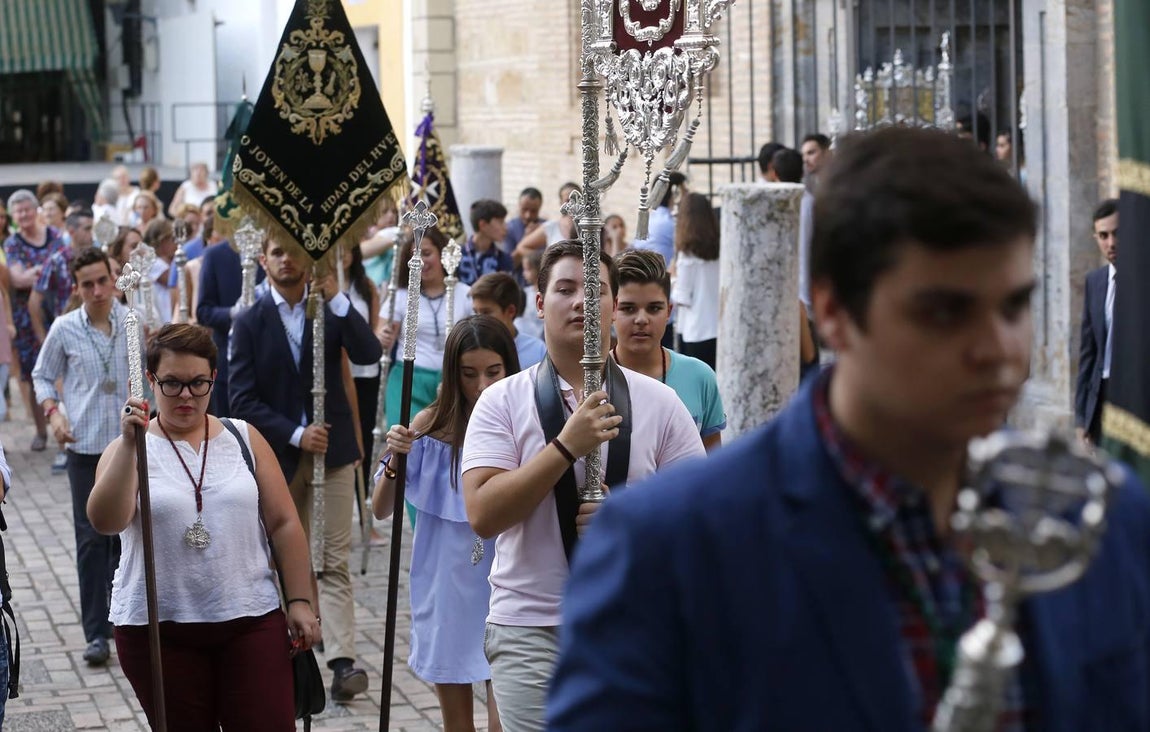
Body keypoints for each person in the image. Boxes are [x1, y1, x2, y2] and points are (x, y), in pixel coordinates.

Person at [547, 125, 1150, 730]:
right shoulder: (667, 552)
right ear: (833, 311)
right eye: (945, 311)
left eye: (1014, 305)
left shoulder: (1102, 520)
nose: (998, 349)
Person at [461, 240, 705, 732]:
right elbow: (483, 514)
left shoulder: (660, 403)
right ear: (538, 302)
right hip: (531, 625)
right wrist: (564, 447)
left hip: (633, 622)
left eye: (594, 291)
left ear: (613, 304)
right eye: (565, 289)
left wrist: (630, 518)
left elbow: (700, 523)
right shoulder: (501, 402)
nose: (580, 302)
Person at [88, 324, 320, 730]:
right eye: (172, 384)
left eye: (198, 383)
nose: (186, 396)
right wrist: (129, 444)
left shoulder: (243, 437)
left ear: (214, 378)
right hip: (158, 629)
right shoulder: (129, 448)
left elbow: (283, 522)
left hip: (250, 617)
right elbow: (106, 521)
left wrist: (300, 600)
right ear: (149, 381)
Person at [229, 237, 382, 701]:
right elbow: (241, 398)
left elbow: (369, 352)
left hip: (332, 457)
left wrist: (336, 295)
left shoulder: (327, 311)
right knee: (284, 557)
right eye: (277, 251)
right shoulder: (251, 321)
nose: (286, 259)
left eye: (293, 250)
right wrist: (295, 433)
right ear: (263, 260)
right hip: (278, 457)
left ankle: (341, 661)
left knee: (333, 558)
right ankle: (291, 650)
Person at [373, 315, 516, 732]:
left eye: (494, 372)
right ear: (453, 374)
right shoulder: (428, 425)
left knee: (504, 720)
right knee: (458, 724)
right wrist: (396, 458)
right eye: (469, 374)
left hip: (504, 583)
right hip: (444, 584)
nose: (482, 386)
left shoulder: (521, 423)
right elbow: (382, 508)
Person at [32, 248, 129, 666]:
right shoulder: (65, 328)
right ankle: (96, 632)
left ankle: (127, 621)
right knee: (91, 541)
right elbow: (41, 375)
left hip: (128, 448)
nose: (96, 290)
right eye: (87, 284)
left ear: (113, 278)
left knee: (128, 538)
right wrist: (53, 414)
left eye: (102, 280)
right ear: (77, 287)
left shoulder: (133, 321)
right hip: (86, 448)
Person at [614, 250, 724, 450]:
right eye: (628, 308)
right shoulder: (590, 378)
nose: (641, 319)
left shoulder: (700, 377)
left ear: (669, 312)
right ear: (611, 311)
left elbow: (712, 464)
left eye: (654, 308)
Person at [379, 227, 474, 430]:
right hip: (406, 381)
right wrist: (384, 337)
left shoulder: (464, 293)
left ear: (442, 253)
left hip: (449, 381)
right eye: (415, 255)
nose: (421, 261)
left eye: (427, 253)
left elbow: (476, 337)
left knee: (442, 443)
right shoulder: (402, 295)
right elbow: (381, 333)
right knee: (403, 441)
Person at [5, 189, 67, 451]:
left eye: (27, 209)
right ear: (13, 216)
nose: (23, 215)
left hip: (59, 310)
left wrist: (35, 272)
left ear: (35, 210)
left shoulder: (54, 235)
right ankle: (41, 431)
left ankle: (65, 426)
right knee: (33, 374)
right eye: (18, 211)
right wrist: (46, 271)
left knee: (65, 371)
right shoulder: (12, 244)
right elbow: (18, 278)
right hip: (26, 319)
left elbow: (64, 268)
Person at [195, 229, 264, 417]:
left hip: (270, 363)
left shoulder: (274, 251)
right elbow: (203, 311)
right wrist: (233, 313)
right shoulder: (215, 254)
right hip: (229, 363)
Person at [1075, 198, 1119, 446]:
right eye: (1103, 235)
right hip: (1100, 395)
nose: (1111, 243)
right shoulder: (1095, 281)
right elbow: (1088, 353)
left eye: (1117, 233)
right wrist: (1081, 419)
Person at [340, 243, 382, 488]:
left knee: (365, 435)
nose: (343, 256)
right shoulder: (323, 285)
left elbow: (374, 327)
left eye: (346, 249)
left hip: (365, 371)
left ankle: (364, 502)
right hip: (338, 370)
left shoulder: (365, 286)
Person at [669, 193, 720, 369]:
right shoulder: (720, 249)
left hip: (696, 330)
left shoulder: (687, 254)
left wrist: (673, 278)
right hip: (718, 328)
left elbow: (681, 298)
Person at [470, 272, 547, 368]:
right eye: (475, 312)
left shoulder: (537, 351)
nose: (479, 319)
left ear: (510, 311)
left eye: (486, 312)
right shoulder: (469, 350)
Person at [514, 183, 580, 265]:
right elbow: (522, 247)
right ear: (561, 203)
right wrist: (546, 260)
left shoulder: (591, 227)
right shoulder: (551, 227)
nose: (573, 204)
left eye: (577, 199)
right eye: (568, 200)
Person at [459, 200, 514, 286]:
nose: (506, 228)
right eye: (501, 222)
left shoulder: (504, 259)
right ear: (483, 225)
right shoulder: (456, 254)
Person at [142, 219, 177, 324]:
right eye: (172, 239)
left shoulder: (167, 261)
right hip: (163, 319)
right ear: (162, 240)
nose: (175, 243)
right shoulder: (153, 263)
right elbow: (174, 280)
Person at [513, 249, 544, 341]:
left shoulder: (546, 294)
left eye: (528, 269)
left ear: (538, 269)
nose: (523, 274)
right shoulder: (525, 293)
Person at [503, 187, 545, 254]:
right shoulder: (509, 228)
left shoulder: (546, 227)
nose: (528, 215)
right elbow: (509, 263)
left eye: (533, 211)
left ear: (540, 207)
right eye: (524, 209)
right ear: (519, 205)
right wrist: (526, 240)